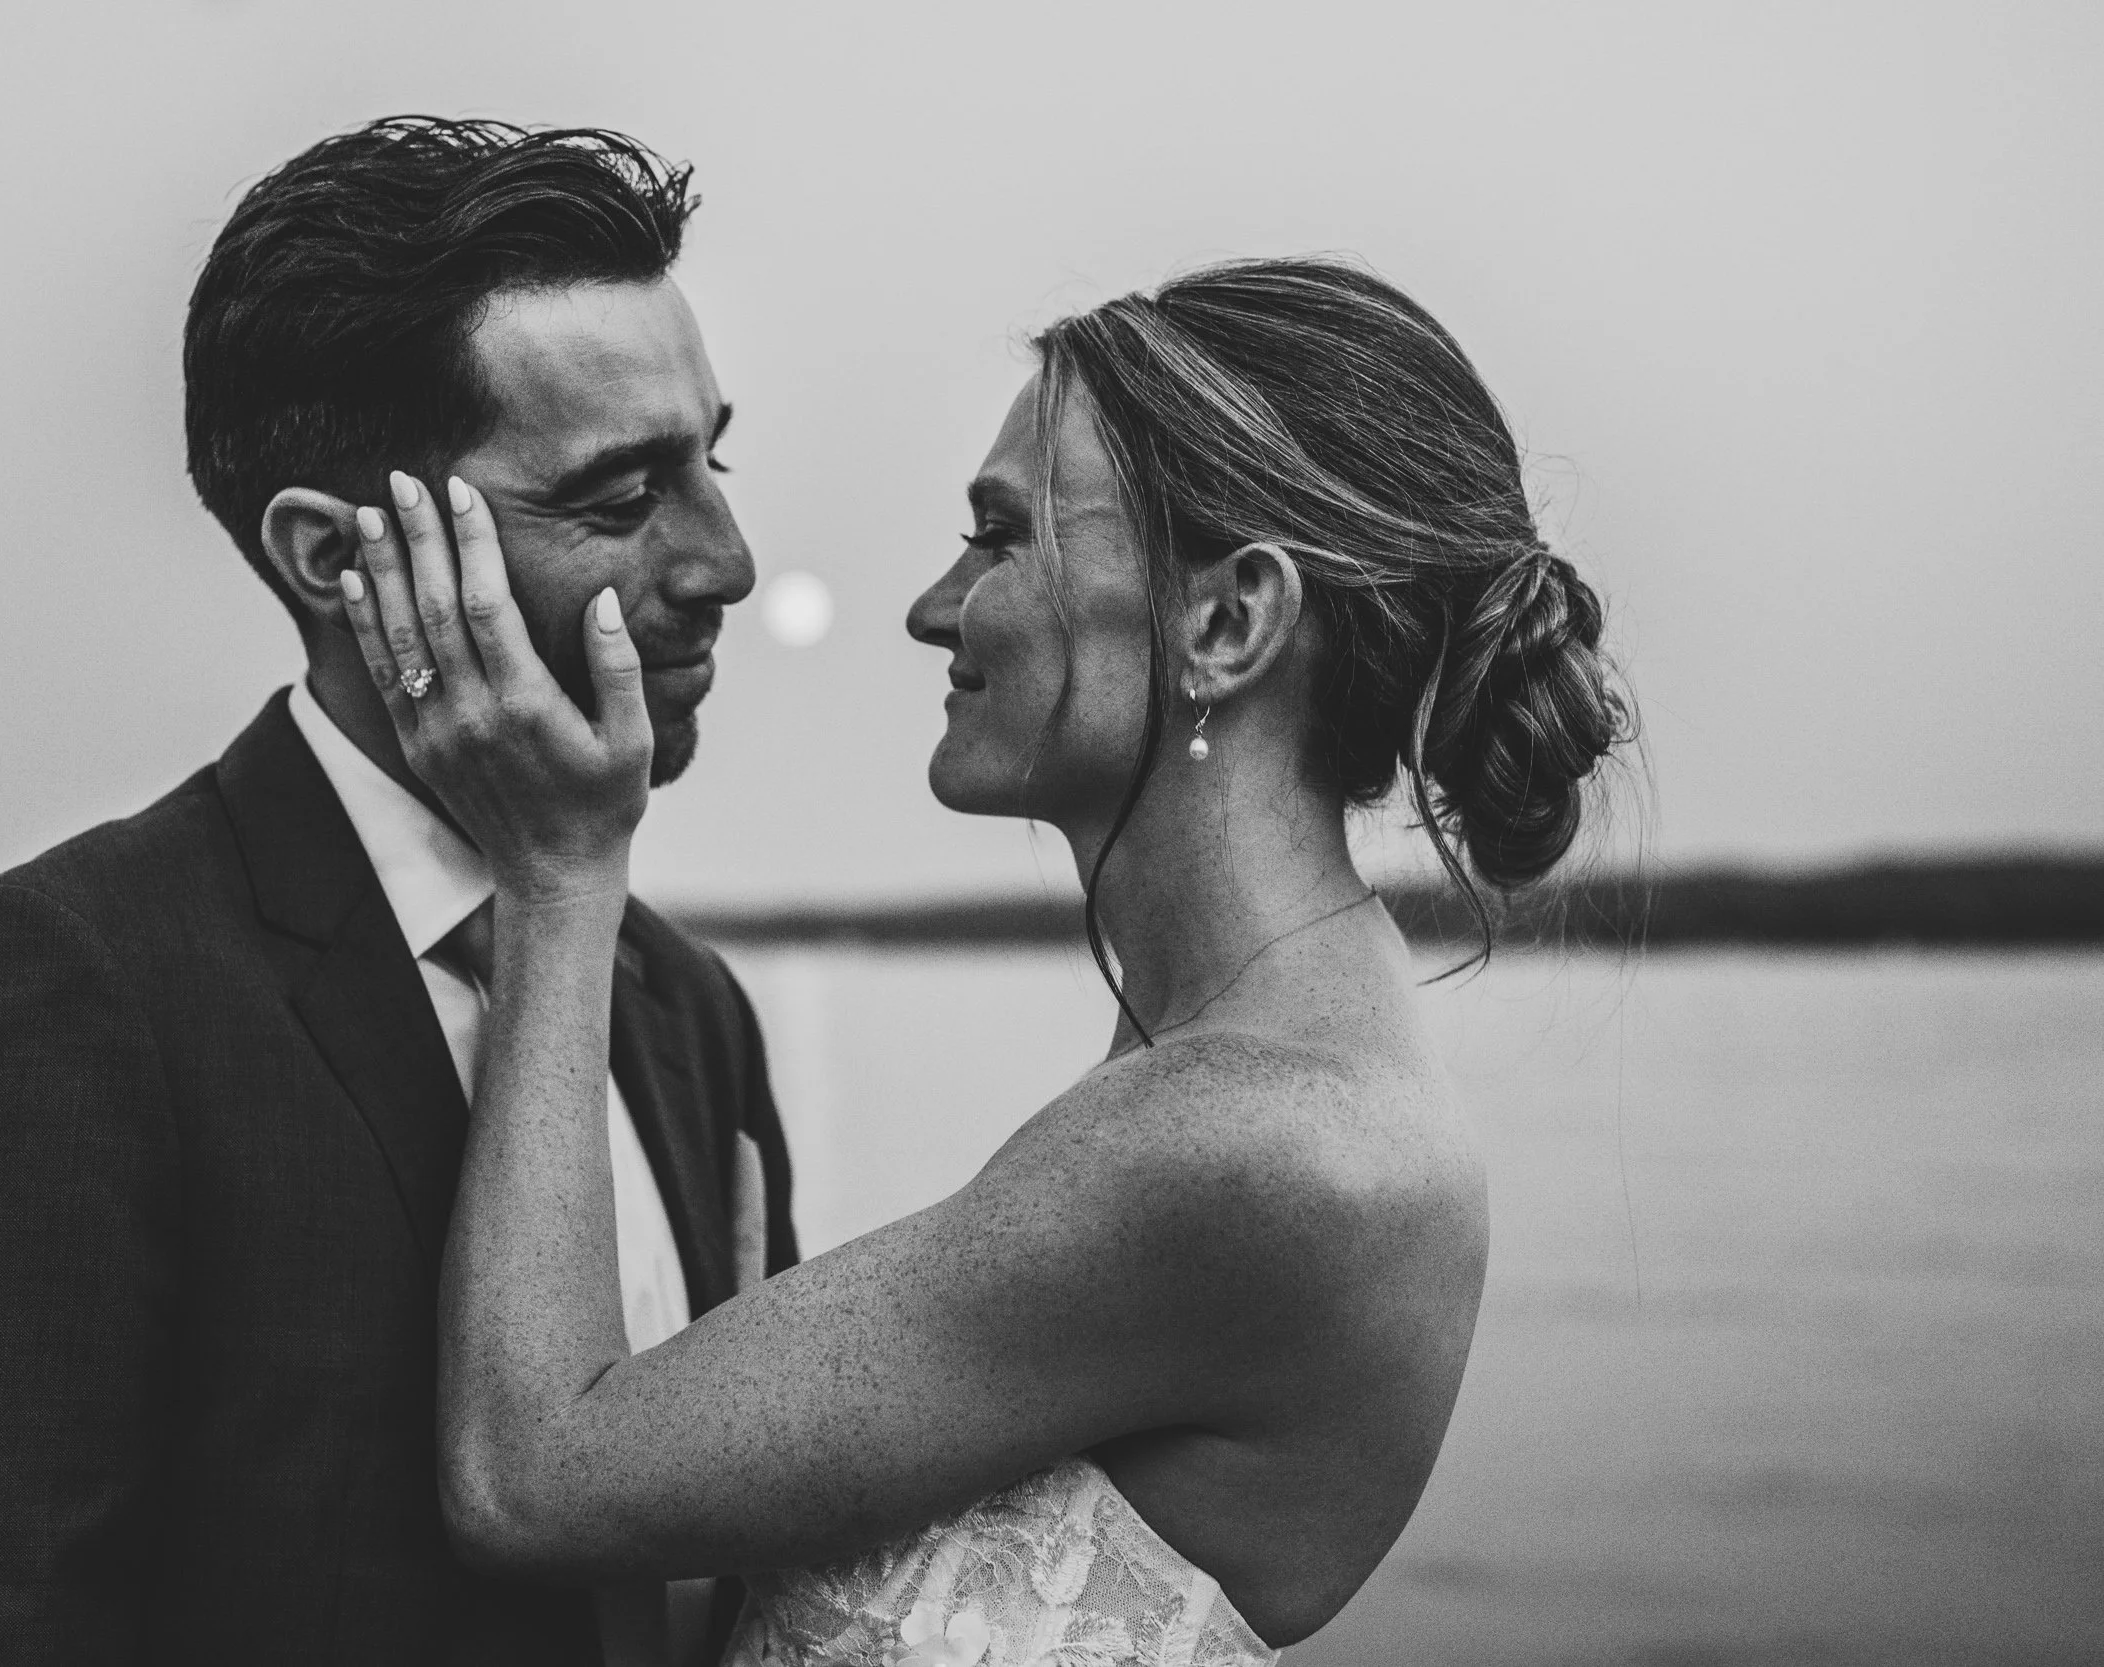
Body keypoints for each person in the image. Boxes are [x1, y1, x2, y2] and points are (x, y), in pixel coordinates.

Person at [340, 258, 1631, 1662]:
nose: (934, 607)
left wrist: (558, 870)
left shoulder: (1255, 1143)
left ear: (1227, 622)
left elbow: (530, 1480)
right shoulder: (1251, 1069)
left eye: (1000, 536)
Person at [0, 117, 796, 1664]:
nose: (725, 559)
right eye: (618, 496)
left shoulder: (683, 1003)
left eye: (711, 459)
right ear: (333, 557)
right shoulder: (62, 995)